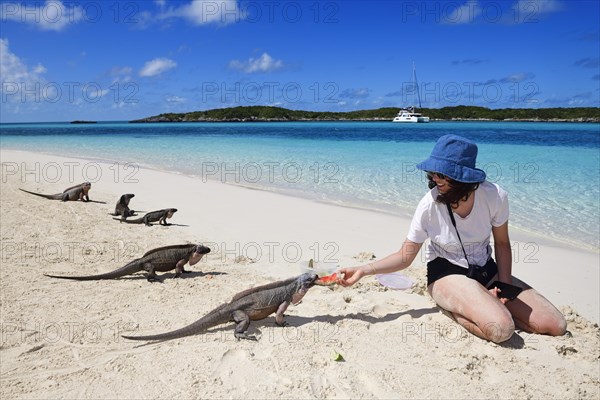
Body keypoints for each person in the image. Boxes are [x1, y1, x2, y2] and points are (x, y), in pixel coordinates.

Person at [338, 134, 567, 343]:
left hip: (486, 269)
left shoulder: (495, 196)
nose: (434, 178)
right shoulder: (428, 205)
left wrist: (503, 288)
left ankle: (486, 305)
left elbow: (503, 244)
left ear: (463, 177)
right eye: (433, 172)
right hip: (446, 273)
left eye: (442, 174)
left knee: (555, 325)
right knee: (501, 329)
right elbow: (405, 257)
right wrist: (363, 270)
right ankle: (457, 308)